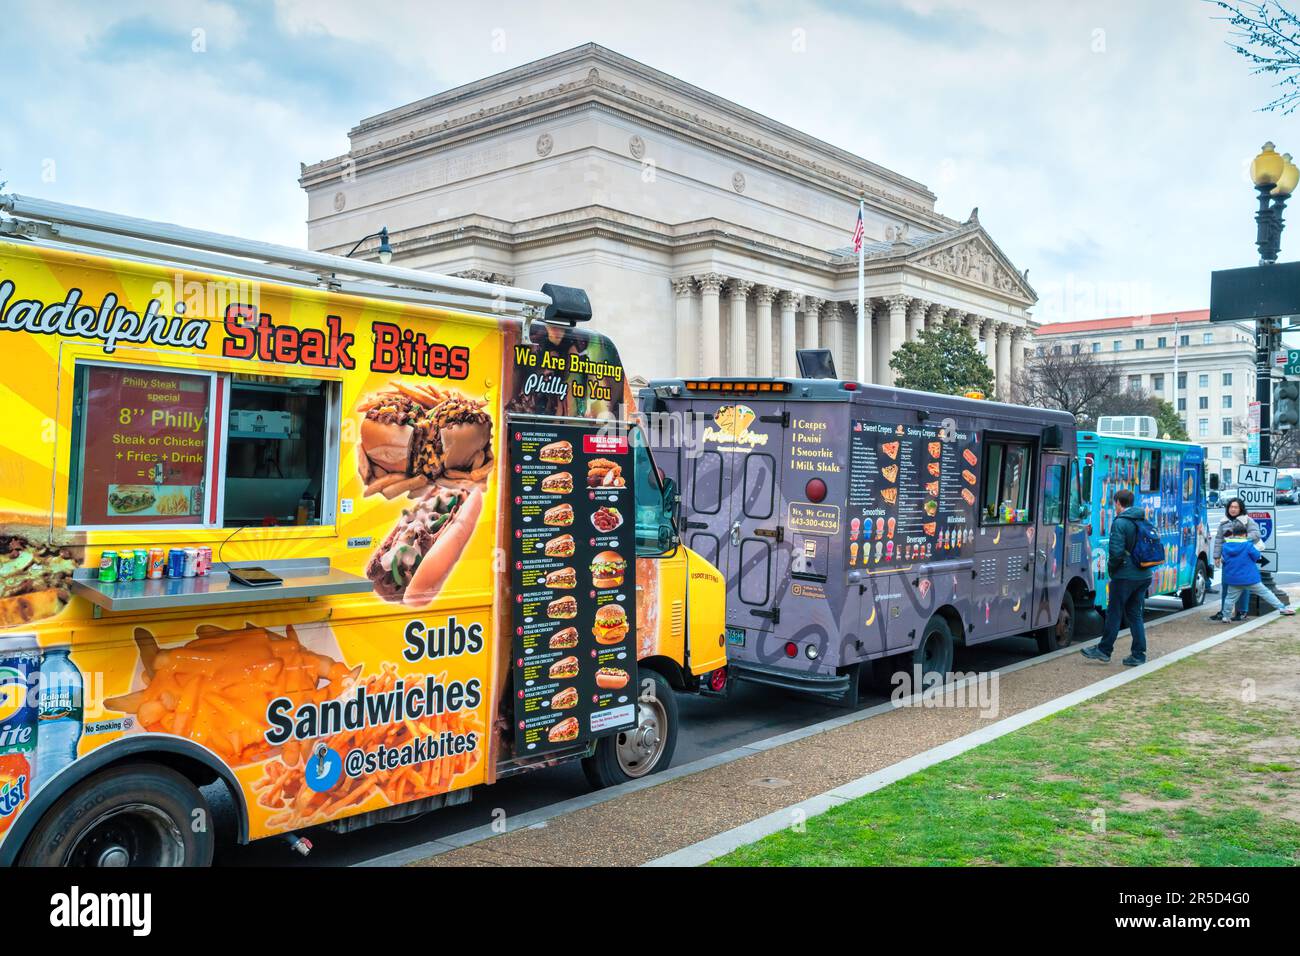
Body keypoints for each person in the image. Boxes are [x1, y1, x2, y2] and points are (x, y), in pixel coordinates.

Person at [1082, 489, 1150, 666]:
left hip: (1125, 575)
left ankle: (1104, 650)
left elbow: (1116, 552)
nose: (1115, 506)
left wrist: (1112, 570)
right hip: (1143, 574)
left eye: (1115, 503)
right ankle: (1138, 654)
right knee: (1135, 614)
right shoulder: (1142, 518)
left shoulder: (1120, 523)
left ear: (1119, 503)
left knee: (1114, 613)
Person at [1220, 520, 1295, 621]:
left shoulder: (1225, 546)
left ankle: (1226, 616)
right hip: (1249, 578)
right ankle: (1281, 607)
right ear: (1244, 534)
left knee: (1230, 598)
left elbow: (1224, 560)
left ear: (1233, 534)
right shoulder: (1247, 545)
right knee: (1266, 593)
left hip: (1234, 578)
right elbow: (1256, 556)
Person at [1210, 497, 1260, 621]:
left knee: (1243, 586)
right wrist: (1216, 556)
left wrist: (1239, 538)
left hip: (1243, 559)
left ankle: (1242, 611)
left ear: (1240, 508)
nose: (1233, 509)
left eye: (1236, 507)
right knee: (1226, 585)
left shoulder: (1247, 521)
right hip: (1228, 560)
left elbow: (1256, 535)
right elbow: (1219, 540)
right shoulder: (1223, 523)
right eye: (1231, 507)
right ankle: (1224, 611)